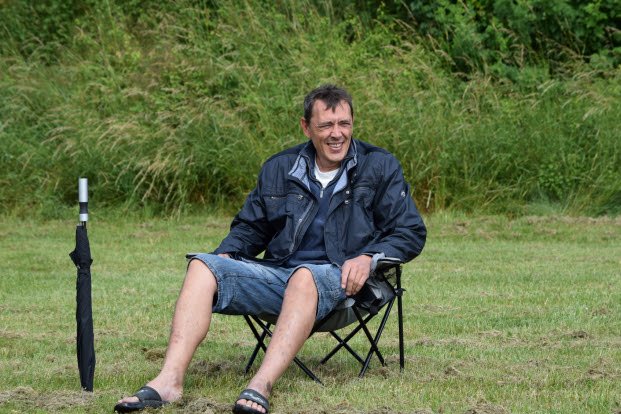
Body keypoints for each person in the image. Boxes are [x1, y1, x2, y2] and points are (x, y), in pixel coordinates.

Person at [114, 84, 426, 414]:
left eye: (344, 124)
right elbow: (251, 228)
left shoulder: (379, 166)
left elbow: (410, 231)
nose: (337, 134)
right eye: (326, 126)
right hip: (281, 277)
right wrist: (227, 253)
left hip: (346, 285)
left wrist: (368, 257)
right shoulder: (280, 168)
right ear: (306, 127)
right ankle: (168, 382)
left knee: (305, 276)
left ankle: (260, 385)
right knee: (202, 266)